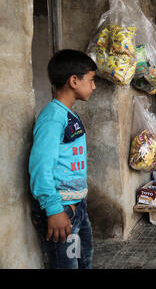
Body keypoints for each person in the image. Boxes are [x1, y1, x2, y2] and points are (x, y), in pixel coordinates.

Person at [29, 49, 97, 268]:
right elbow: (41, 166)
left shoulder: (69, 114)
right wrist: (54, 209)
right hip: (60, 211)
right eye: (91, 80)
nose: (94, 86)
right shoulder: (52, 118)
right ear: (74, 81)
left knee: (82, 261)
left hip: (76, 208)